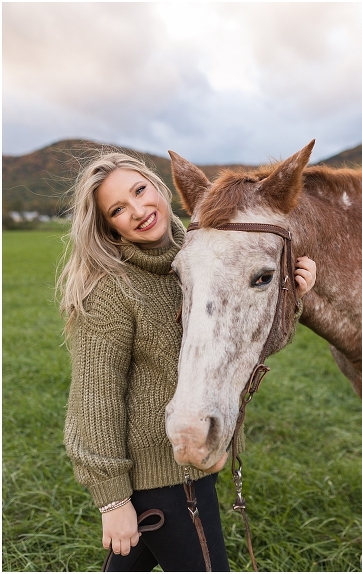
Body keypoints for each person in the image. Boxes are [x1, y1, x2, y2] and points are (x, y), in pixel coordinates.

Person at [57, 151, 316, 570]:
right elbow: (94, 400)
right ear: (108, 226)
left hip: (194, 452)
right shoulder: (112, 293)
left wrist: (290, 297)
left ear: (160, 188)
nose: (139, 211)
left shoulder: (202, 256)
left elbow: (232, 338)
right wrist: (114, 502)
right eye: (119, 209)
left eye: (140, 191)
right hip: (161, 480)